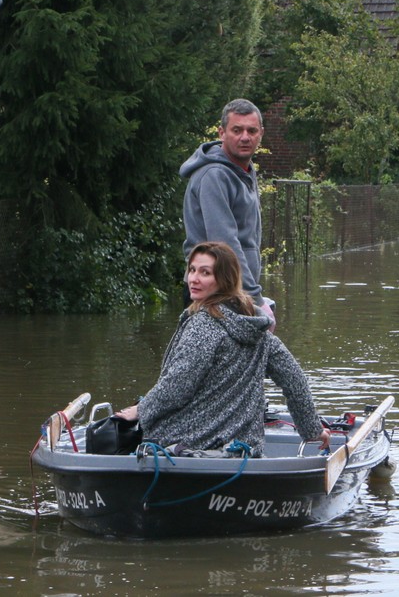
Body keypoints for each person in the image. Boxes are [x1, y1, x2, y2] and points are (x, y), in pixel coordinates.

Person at [116, 241, 329, 456]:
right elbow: (294, 380)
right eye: (192, 270)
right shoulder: (258, 329)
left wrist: (141, 410)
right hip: (243, 448)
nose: (194, 279)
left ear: (224, 279)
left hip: (186, 442)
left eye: (205, 272)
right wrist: (312, 430)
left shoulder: (203, 324)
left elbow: (178, 385)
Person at [180, 98, 276, 328]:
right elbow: (226, 244)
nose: (245, 137)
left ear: (261, 133)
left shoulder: (242, 170)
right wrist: (256, 301)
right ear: (222, 132)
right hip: (214, 294)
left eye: (251, 130)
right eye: (237, 130)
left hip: (234, 293)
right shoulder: (215, 175)